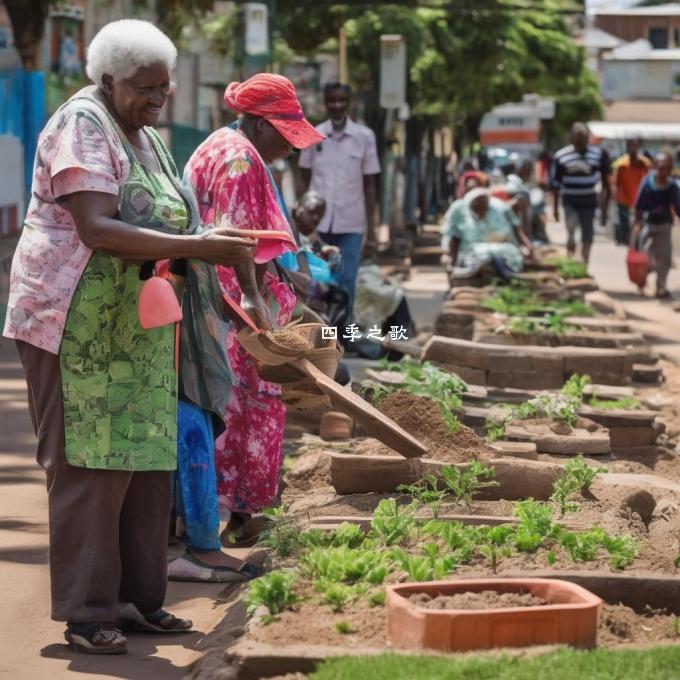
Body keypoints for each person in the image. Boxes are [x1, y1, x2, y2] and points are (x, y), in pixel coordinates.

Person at [2, 20, 258, 654]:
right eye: (145, 87)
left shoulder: (146, 136)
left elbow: (169, 213)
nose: (157, 98)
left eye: (164, 87)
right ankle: (89, 611)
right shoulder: (80, 125)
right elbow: (96, 226)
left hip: (135, 326)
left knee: (146, 457)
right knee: (89, 464)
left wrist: (210, 247)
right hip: (71, 320)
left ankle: (138, 601)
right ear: (108, 80)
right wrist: (199, 246)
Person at [183, 74, 323, 553]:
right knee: (251, 404)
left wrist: (281, 279)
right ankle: (239, 514)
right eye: (286, 135)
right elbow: (237, 236)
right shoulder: (241, 159)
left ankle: (230, 513)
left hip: (217, 302)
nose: (290, 146)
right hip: (230, 310)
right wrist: (252, 298)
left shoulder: (223, 144)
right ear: (262, 124)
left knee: (232, 406)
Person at [298, 81, 381, 313]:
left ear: (349, 102)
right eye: (332, 100)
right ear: (325, 103)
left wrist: (372, 231)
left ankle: (342, 337)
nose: (337, 105)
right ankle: (320, 338)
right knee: (316, 281)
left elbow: (370, 185)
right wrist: (301, 223)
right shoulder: (313, 136)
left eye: (342, 100)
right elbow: (303, 178)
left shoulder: (365, 137)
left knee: (346, 283)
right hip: (317, 225)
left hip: (350, 225)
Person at [441, 188, 531, 281]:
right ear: (473, 204)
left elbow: (516, 227)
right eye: (479, 206)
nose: (483, 209)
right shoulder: (459, 211)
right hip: (470, 254)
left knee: (508, 260)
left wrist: (526, 246)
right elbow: (452, 235)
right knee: (473, 265)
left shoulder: (499, 208)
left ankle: (506, 273)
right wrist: (448, 254)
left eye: (485, 206)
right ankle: (476, 271)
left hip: (502, 251)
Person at [551, 122, 611, 264]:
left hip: (589, 200)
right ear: (571, 139)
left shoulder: (599, 154)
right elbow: (555, 184)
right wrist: (555, 208)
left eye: (583, 140)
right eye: (577, 140)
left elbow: (606, 183)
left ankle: (584, 265)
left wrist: (604, 209)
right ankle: (570, 259)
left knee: (587, 235)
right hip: (570, 199)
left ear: (587, 139)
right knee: (571, 228)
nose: (580, 143)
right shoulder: (561, 156)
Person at [632, 150, 680, 299]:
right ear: (655, 167)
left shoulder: (672, 186)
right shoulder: (647, 182)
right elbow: (638, 204)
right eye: (661, 168)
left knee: (664, 258)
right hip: (647, 224)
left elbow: (678, 206)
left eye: (667, 168)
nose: (663, 171)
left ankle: (661, 287)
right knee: (643, 257)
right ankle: (641, 285)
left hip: (664, 225)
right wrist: (637, 223)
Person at [612, 139, 651, 246]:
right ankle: (628, 245)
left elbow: (649, 182)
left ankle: (635, 245)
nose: (632, 148)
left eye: (634, 146)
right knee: (626, 226)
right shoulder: (622, 164)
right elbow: (616, 183)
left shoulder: (645, 163)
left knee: (639, 225)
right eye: (630, 146)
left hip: (640, 202)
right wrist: (615, 197)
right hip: (624, 201)